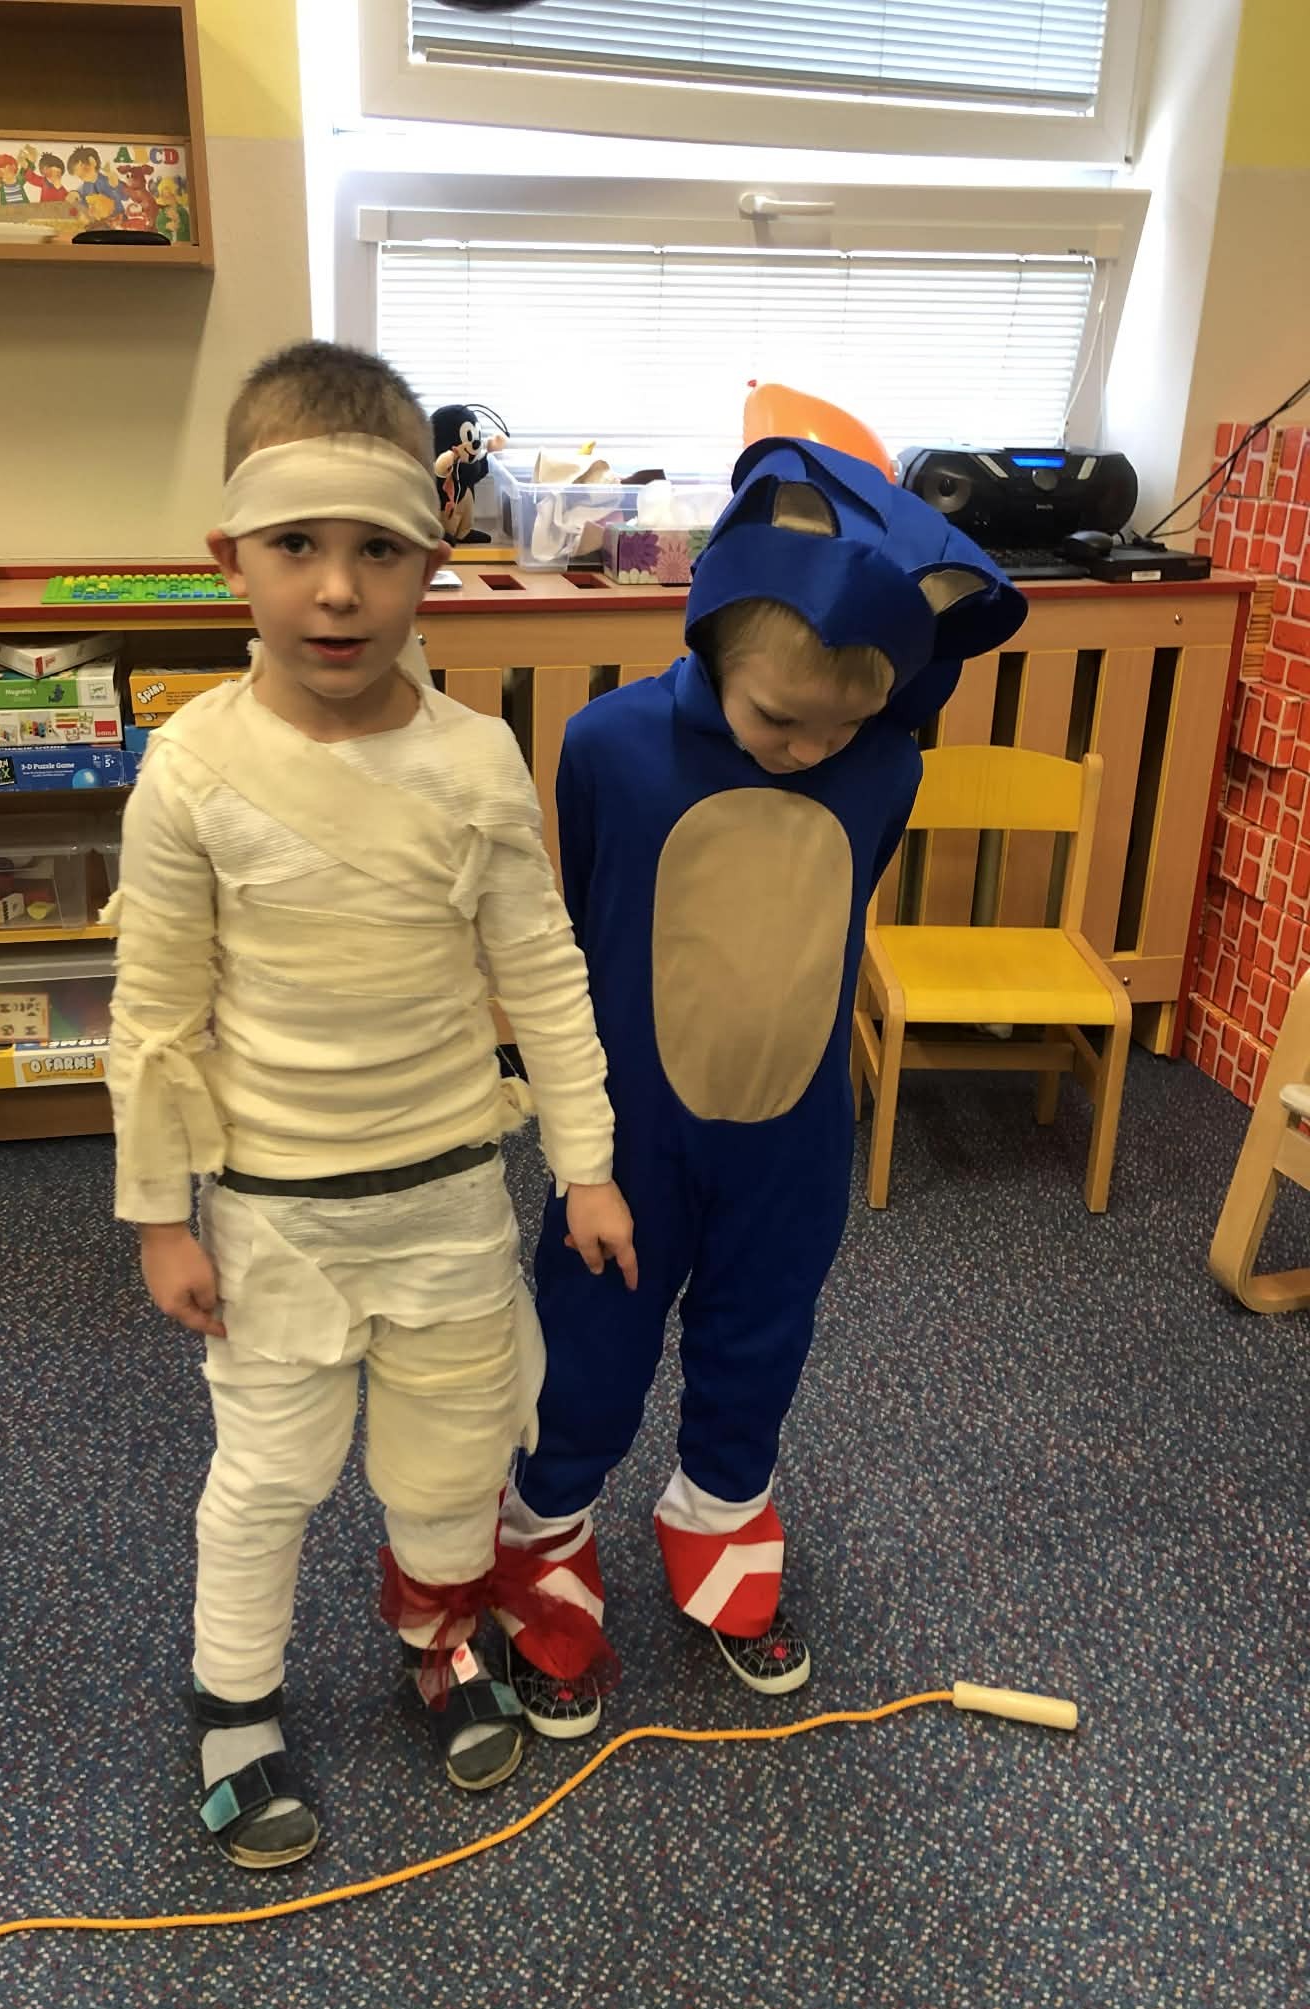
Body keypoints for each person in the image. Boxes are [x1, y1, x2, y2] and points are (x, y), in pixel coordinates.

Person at [105, 340, 635, 1867]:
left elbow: (544, 975)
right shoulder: (191, 770)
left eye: (378, 551)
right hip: (276, 1219)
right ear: (233, 559)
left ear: (430, 561)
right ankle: (234, 1699)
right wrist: (158, 1217)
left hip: (451, 1201)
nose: (337, 592)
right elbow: (155, 1016)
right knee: (270, 1474)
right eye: (296, 546)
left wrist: (586, 1166)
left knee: (450, 1459)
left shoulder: (475, 762)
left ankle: (439, 1638)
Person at [493, 436, 1027, 1735]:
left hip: (792, 1131)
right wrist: (584, 1141)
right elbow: (591, 905)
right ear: (714, 642)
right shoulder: (611, 746)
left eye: (839, 724)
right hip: (633, 1131)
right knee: (590, 1342)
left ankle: (720, 1511)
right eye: (778, 719)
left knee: (761, 1339)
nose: (806, 748)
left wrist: (843, 738)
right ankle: (545, 1528)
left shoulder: (884, 763)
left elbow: (838, 900)